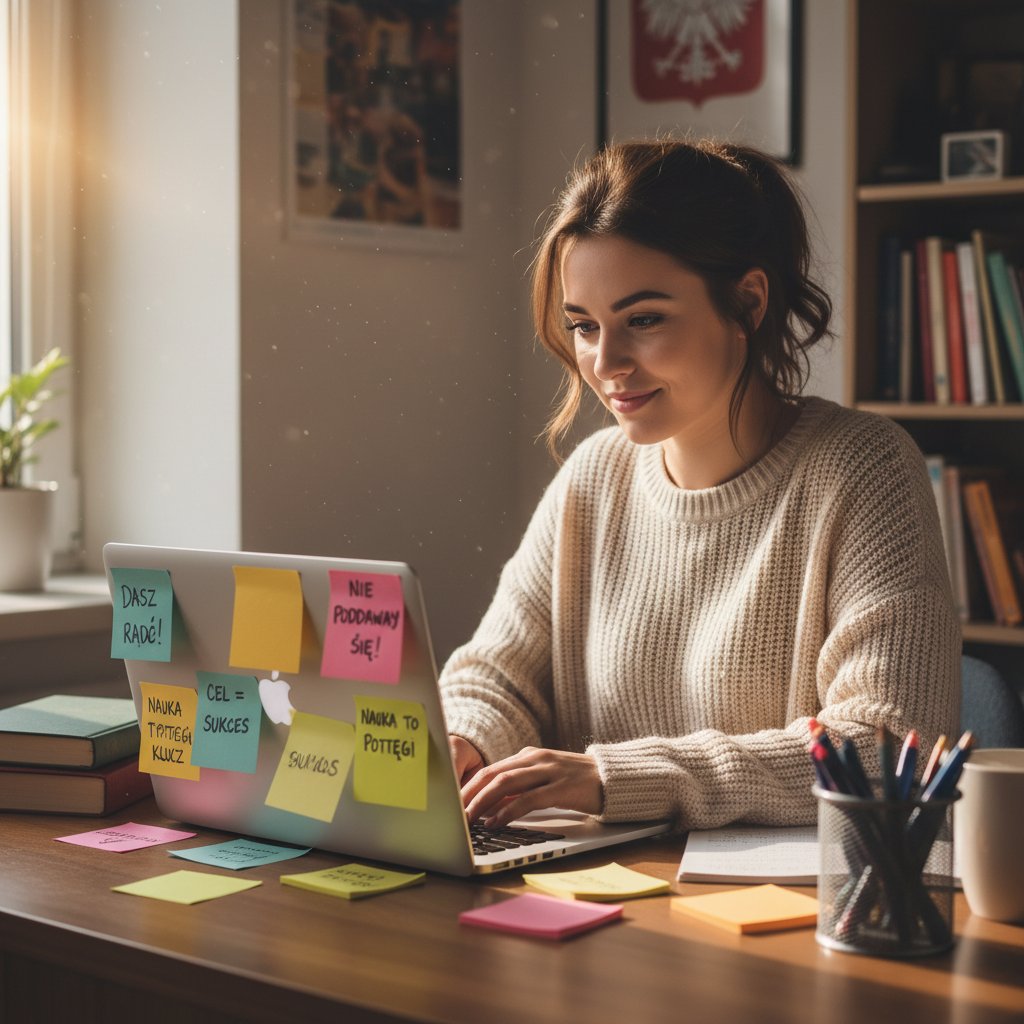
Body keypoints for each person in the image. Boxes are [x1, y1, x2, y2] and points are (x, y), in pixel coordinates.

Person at [439, 138, 960, 833]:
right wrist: (464, 741)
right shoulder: (594, 478)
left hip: (782, 917)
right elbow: (496, 676)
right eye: (584, 326)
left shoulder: (864, 469)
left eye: (644, 319)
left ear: (747, 303)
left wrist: (614, 779)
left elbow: (888, 744)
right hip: (602, 893)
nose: (606, 362)